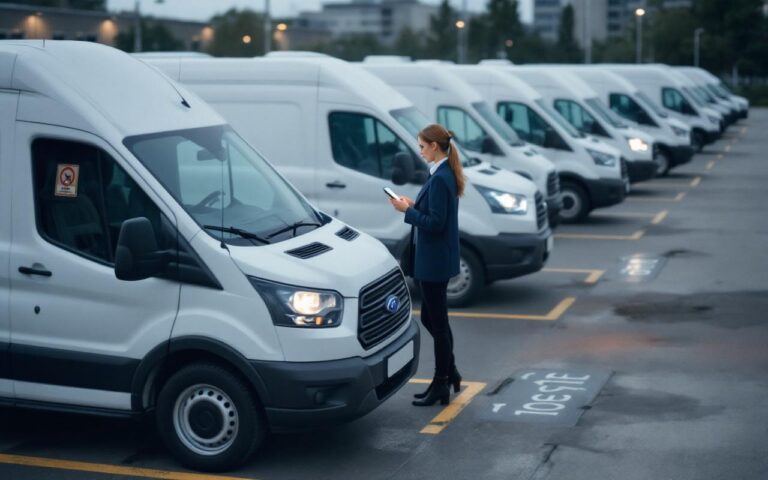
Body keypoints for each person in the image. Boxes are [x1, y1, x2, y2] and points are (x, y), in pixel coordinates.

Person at [389, 123, 465, 407]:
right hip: (432, 259)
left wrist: (408, 211)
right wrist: (413, 205)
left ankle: (442, 383)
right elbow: (433, 214)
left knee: (438, 323)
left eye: (422, 146)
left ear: (434, 146)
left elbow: (436, 223)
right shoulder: (441, 174)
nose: (419, 151)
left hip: (435, 262)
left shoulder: (442, 177)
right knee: (433, 320)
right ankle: (449, 373)